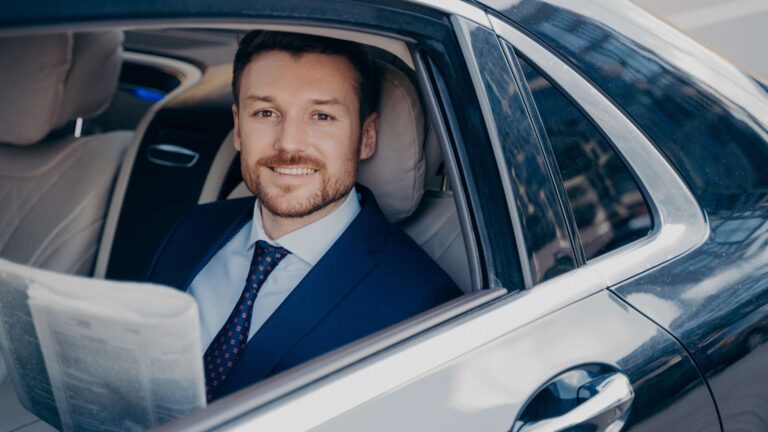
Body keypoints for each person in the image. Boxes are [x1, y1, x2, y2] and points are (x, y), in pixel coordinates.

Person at [145, 31, 462, 402]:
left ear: (366, 137)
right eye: (265, 112)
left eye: (321, 116)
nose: (289, 144)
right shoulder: (192, 229)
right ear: (238, 127)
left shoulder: (423, 307)